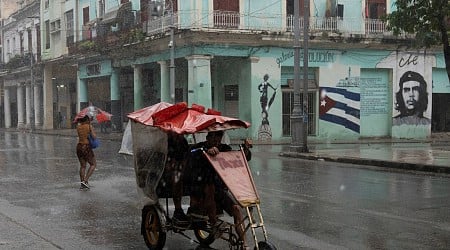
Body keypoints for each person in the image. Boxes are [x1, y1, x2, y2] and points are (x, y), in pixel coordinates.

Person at [187, 131, 252, 246]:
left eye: (219, 137)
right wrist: (206, 152)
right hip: (201, 190)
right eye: (214, 137)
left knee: (236, 209)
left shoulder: (224, 148)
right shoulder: (199, 147)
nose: (216, 140)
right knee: (210, 187)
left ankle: (244, 244)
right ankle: (213, 223)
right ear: (208, 137)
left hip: (218, 190)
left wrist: (245, 149)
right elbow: (191, 152)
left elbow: (238, 157)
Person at [166, 131, 190, 225]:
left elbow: (186, 157)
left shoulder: (183, 142)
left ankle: (195, 209)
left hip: (180, 169)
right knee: (177, 179)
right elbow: (165, 161)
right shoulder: (166, 142)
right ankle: (178, 209)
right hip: (168, 173)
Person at [76, 115, 97, 190]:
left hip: (79, 147)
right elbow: (94, 137)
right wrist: (92, 130)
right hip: (86, 147)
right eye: (88, 119)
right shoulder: (89, 126)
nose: (89, 120)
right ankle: (85, 181)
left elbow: (82, 135)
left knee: (83, 166)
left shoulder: (78, 127)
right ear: (86, 120)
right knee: (93, 164)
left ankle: (82, 183)